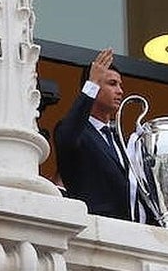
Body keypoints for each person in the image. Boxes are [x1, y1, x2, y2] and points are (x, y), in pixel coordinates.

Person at [54, 48, 138, 221]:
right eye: (112, 84)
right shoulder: (77, 132)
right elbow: (67, 138)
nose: (120, 91)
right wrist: (91, 83)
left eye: (120, 85)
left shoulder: (120, 140)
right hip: (94, 230)